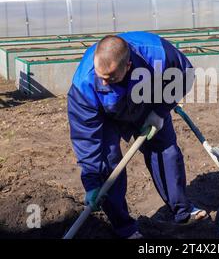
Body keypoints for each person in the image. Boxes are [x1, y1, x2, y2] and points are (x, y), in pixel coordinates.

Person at [67, 31, 207, 239]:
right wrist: (92, 183)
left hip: (148, 102)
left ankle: (182, 211)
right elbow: (86, 139)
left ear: (128, 66)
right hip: (107, 115)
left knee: (166, 151)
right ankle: (125, 228)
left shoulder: (157, 54)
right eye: (100, 76)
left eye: (111, 77)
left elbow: (184, 75)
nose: (104, 82)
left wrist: (160, 111)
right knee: (108, 164)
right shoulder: (84, 85)